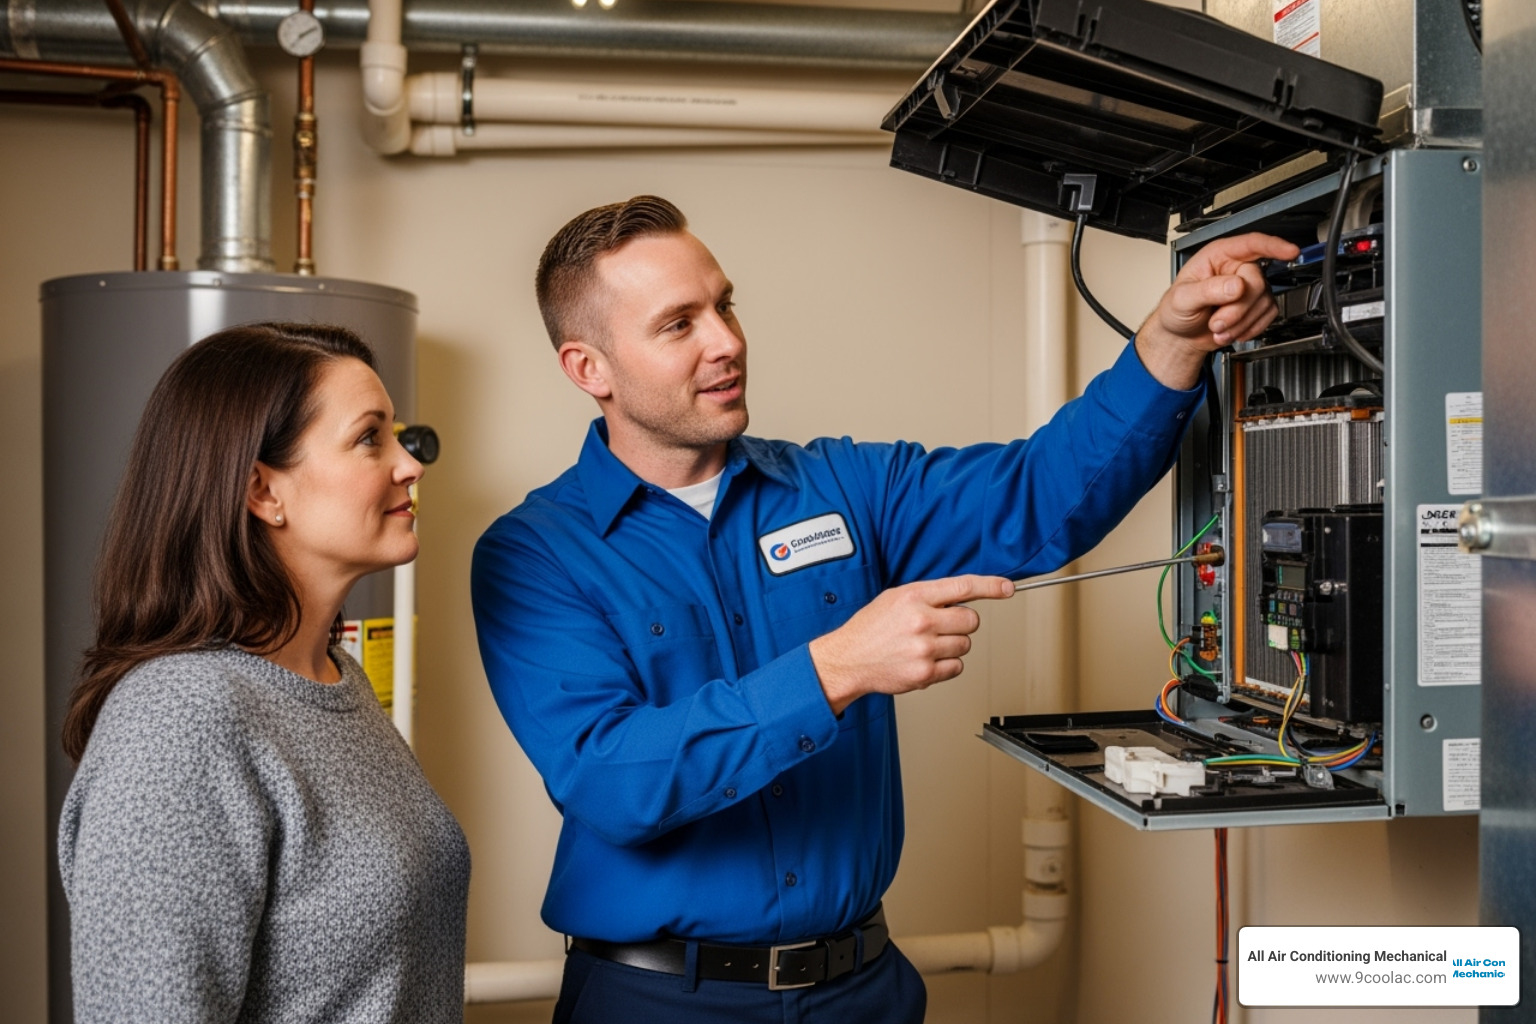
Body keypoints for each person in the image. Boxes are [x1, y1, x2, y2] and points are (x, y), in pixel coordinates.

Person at [470, 196, 1297, 1022]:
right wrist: (835, 668)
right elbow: (609, 778)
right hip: (655, 1004)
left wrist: (1171, 342)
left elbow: (1040, 495)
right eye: (678, 325)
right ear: (590, 369)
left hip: (861, 992)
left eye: (724, 305)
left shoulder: (845, 487)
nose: (726, 341)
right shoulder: (536, 555)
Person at [59, 322, 471, 1024]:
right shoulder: (179, 719)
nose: (410, 464)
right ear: (262, 490)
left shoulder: (334, 680)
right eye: (370, 438)